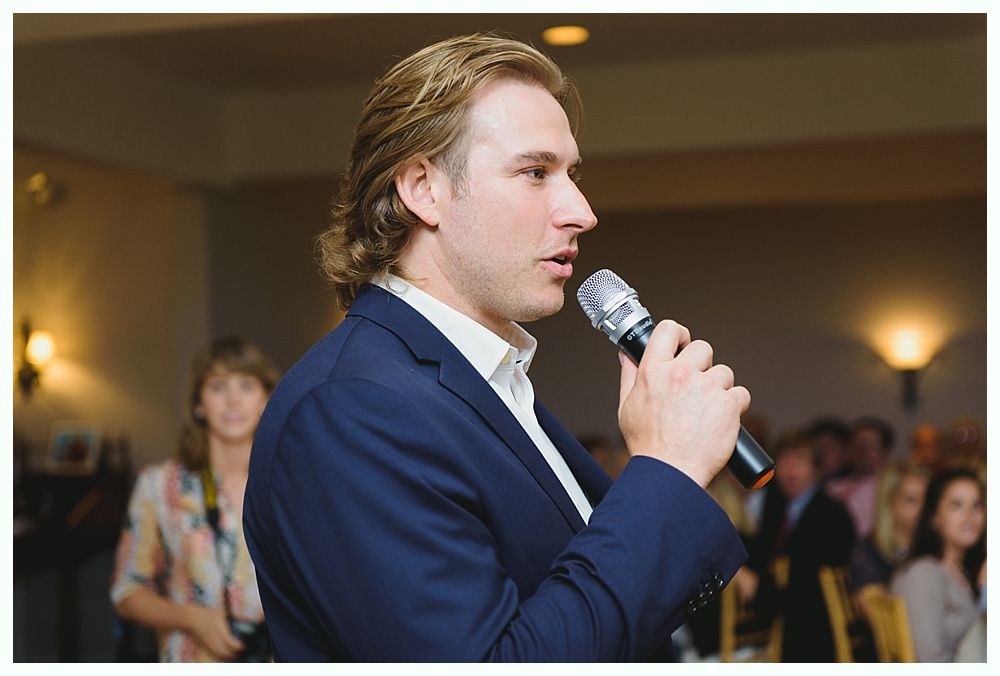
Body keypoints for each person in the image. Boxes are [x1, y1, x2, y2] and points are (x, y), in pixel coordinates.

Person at [244, 33, 751, 662]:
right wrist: (665, 470)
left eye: (572, 175)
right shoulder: (351, 409)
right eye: (536, 172)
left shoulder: (487, 382)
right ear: (423, 189)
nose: (582, 211)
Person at [110, 337, 280, 662]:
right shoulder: (158, 486)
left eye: (246, 385)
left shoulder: (288, 485)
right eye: (218, 387)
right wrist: (195, 620)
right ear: (199, 402)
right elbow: (125, 591)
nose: (233, 401)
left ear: (266, 397)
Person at [735, 428, 856, 662]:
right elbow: (764, 555)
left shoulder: (830, 515)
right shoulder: (779, 507)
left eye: (799, 461)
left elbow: (806, 588)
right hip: (787, 614)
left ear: (817, 470)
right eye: (784, 461)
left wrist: (756, 588)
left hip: (816, 630)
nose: (790, 470)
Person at [890, 469, 986, 662]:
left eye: (977, 505)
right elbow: (931, 660)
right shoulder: (924, 574)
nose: (970, 515)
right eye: (956, 505)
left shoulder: (964, 571)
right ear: (934, 517)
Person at [849, 461, 929, 621]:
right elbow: (880, 619)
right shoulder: (867, 552)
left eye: (927, 500)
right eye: (911, 500)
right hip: (888, 642)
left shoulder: (930, 545)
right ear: (889, 503)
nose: (923, 508)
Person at [827, 416, 895, 539]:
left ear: (885, 452)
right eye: (857, 445)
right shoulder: (833, 487)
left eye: (869, 446)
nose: (862, 452)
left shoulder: (890, 490)